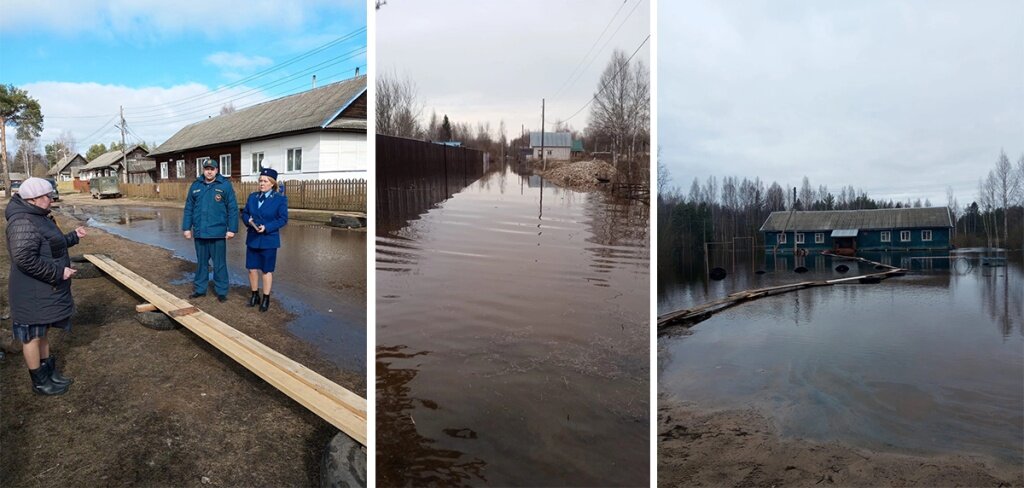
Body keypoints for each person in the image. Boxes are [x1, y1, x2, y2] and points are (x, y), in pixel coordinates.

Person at [5, 177, 87, 395]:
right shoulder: (22, 222)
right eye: (48, 196)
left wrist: (73, 236)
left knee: (43, 332)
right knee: (31, 336)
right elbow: (24, 259)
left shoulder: (39, 216)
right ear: (33, 199)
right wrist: (58, 272)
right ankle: (40, 382)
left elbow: (51, 244)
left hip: (43, 289)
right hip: (30, 291)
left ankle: (49, 372)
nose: (51, 199)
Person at [182, 159, 238, 302]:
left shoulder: (224, 185)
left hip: (218, 233)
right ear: (203, 170)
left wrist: (232, 229)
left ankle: (221, 291)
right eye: (207, 169)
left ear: (216, 170)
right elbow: (189, 208)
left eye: (212, 169)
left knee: (219, 264)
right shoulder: (196, 185)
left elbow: (232, 208)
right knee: (201, 263)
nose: (209, 171)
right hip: (200, 232)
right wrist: (187, 228)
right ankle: (200, 289)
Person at [241, 168, 288, 312]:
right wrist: (248, 221)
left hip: (269, 240)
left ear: (272, 183)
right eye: (260, 180)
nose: (262, 183)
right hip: (253, 238)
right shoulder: (253, 197)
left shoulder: (279, 199)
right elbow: (245, 213)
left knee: (266, 270)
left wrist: (267, 227)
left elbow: (283, 219)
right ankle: (255, 295)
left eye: (265, 181)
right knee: (251, 269)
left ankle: (266, 298)